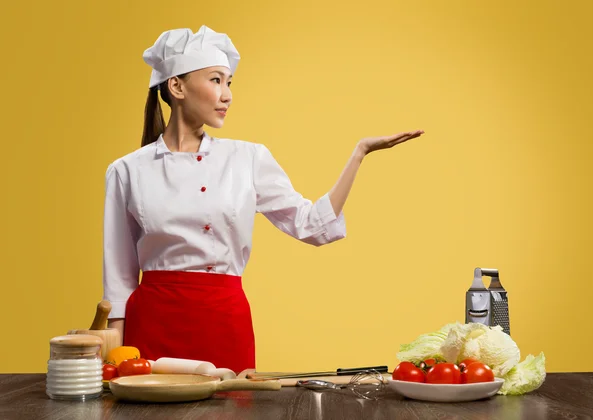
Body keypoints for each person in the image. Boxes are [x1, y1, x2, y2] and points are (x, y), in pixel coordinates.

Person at [102, 25, 424, 374]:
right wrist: (115, 363)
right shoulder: (127, 171)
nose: (227, 95)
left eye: (229, 83)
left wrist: (359, 154)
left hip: (224, 322)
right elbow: (118, 281)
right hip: (152, 326)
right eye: (215, 80)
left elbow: (311, 225)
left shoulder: (248, 159)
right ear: (177, 86)